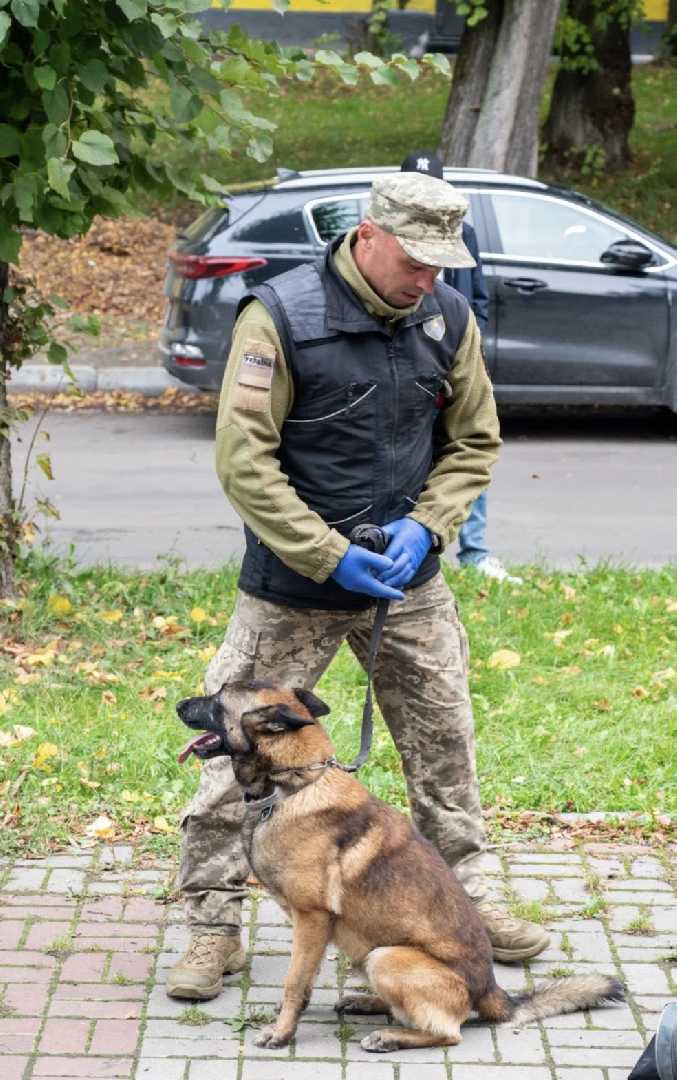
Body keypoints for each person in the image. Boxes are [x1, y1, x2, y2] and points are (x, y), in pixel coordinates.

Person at [167, 172, 549, 1002]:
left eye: (440, 264)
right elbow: (243, 459)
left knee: (443, 745)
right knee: (232, 758)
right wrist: (325, 554)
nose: (427, 278)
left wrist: (428, 525)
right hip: (290, 586)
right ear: (367, 236)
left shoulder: (447, 316)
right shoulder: (280, 316)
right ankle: (212, 925)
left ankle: (467, 905)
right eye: (414, 261)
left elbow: (474, 440)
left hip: (407, 584)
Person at [401, 151, 523, 585]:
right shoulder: (392, 237)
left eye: (433, 188)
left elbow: (477, 297)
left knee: (468, 446)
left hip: (448, 362)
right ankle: (405, 544)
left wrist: (467, 343)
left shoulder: (464, 234)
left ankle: (475, 552)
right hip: (407, 364)